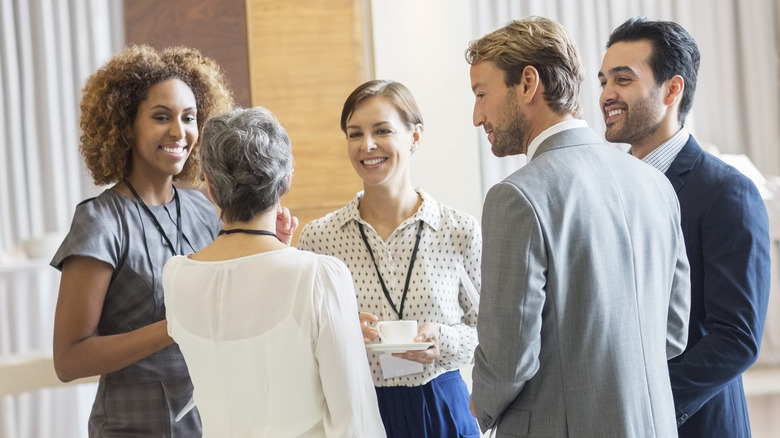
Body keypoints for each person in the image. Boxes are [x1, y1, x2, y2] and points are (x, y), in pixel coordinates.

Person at [50, 45, 296, 437]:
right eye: (161, 117)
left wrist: (271, 244)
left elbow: (231, 300)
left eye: (189, 117)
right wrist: (176, 326)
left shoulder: (202, 208)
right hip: (132, 425)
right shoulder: (101, 221)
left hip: (213, 420)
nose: (179, 132)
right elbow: (69, 360)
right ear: (125, 126)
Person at [465, 17, 691, 437]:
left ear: (528, 83)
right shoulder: (655, 182)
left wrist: (477, 403)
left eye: (482, 94)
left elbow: (509, 357)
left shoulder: (517, 196)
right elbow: (673, 331)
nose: (477, 116)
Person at [161, 106, 385, 437]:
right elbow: (355, 420)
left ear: (209, 186)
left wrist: (279, 251)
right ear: (287, 180)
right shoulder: (319, 276)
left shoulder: (176, 275)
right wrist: (283, 255)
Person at [599, 17, 771, 437]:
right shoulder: (606, 187)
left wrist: (642, 402)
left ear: (672, 89)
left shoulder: (727, 191)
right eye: (603, 80)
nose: (606, 95)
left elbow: (736, 338)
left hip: (695, 424)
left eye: (622, 79)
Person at [297, 80, 482, 438]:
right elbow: (300, 339)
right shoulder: (319, 238)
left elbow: (491, 335)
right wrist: (343, 331)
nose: (367, 145)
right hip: (359, 407)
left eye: (382, 130)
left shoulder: (459, 230)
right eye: (355, 134)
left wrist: (441, 340)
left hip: (441, 403)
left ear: (415, 136)